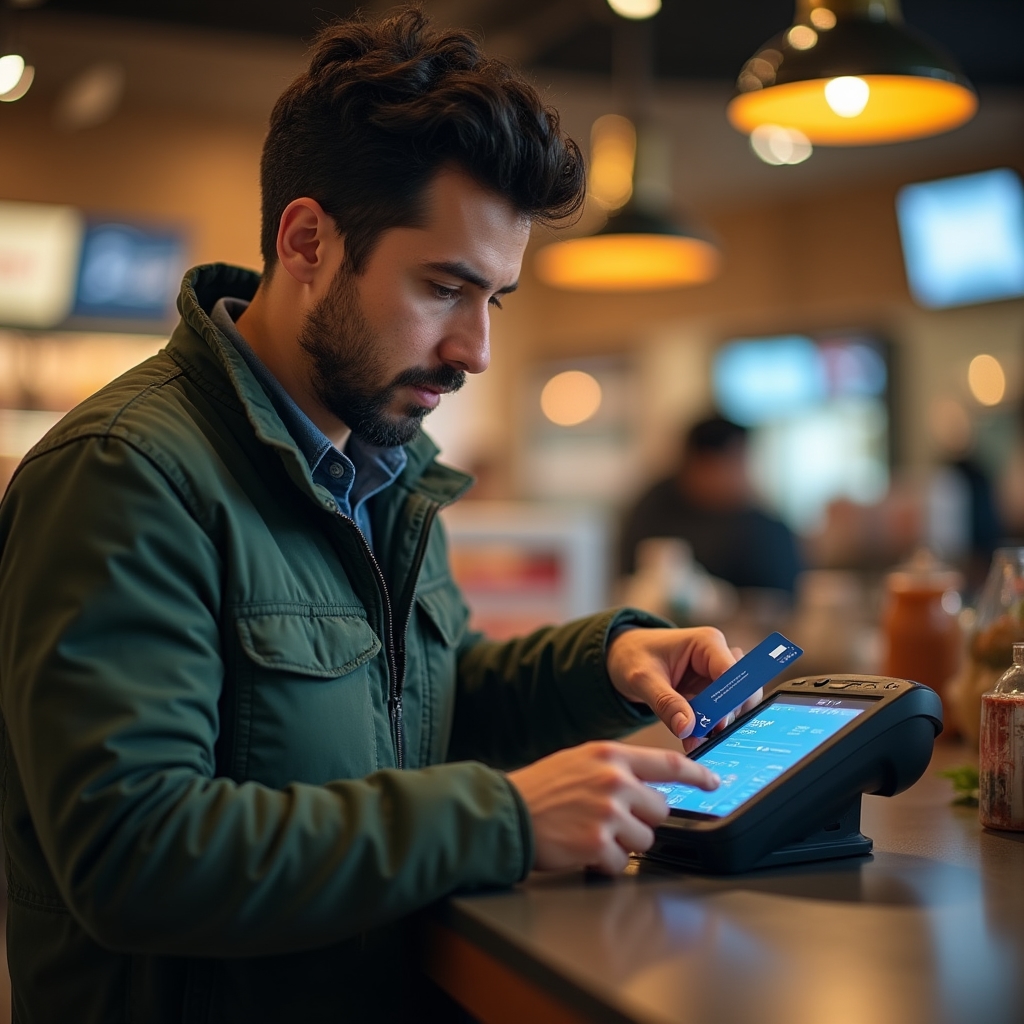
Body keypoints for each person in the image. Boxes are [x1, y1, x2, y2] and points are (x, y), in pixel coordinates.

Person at [0, 11, 756, 1022]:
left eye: (495, 298)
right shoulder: (124, 474)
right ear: (307, 240)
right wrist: (503, 815)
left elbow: (413, 709)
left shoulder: (385, 466)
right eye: (445, 287)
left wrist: (598, 662)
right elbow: (135, 852)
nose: (475, 348)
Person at [620, 416, 801, 594]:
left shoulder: (761, 521)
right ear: (702, 463)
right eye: (736, 461)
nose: (743, 473)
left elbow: (783, 591)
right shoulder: (657, 506)